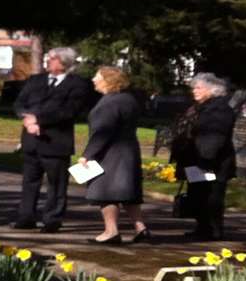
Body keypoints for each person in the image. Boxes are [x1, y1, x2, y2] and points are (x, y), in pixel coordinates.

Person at [12, 48, 94, 233]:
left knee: (56, 184)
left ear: (63, 62)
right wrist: (26, 119)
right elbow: (19, 103)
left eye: (52, 59)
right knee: (29, 181)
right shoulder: (36, 80)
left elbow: (70, 111)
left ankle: (52, 219)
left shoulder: (78, 84)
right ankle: (26, 217)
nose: (47, 61)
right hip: (31, 139)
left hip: (56, 142)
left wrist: (39, 120)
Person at [82, 66, 147, 244]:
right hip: (128, 151)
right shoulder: (128, 99)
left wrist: (88, 154)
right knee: (128, 193)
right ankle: (140, 228)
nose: (93, 80)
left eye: (97, 76)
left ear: (108, 80)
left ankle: (111, 231)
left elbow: (102, 132)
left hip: (110, 154)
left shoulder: (109, 103)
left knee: (106, 192)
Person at [169, 72, 238, 240]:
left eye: (198, 87)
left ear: (212, 90)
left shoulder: (219, 109)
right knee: (197, 194)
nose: (194, 91)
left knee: (212, 196)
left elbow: (215, 136)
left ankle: (213, 230)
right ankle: (202, 227)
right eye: (194, 87)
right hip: (195, 159)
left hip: (211, 162)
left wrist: (206, 158)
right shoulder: (198, 108)